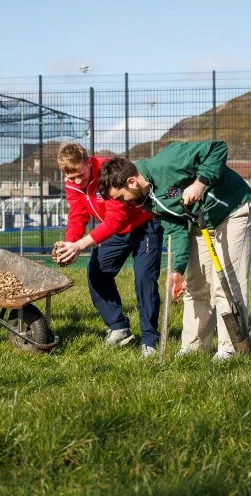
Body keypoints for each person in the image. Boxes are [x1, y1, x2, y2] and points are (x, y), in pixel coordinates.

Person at [98, 140, 251, 361]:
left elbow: (217, 148)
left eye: (120, 197)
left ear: (132, 182)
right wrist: (178, 269)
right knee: (196, 285)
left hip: (233, 211)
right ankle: (193, 348)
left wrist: (200, 183)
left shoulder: (169, 161)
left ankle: (229, 348)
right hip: (200, 223)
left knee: (226, 284)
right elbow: (177, 227)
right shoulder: (146, 201)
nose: (123, 203)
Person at [52, 143, 164, 358]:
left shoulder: (108, 172)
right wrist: (69, 244)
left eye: (79, 175)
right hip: (114, 231)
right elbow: (77, 216)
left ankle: (150, 340)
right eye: (70, 178)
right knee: (97, 273)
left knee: (144, 280)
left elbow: (115, 219)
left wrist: (80, 245)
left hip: (144, 226)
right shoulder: (73, 183)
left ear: (88, 162)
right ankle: (119, 327)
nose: (76, 181)